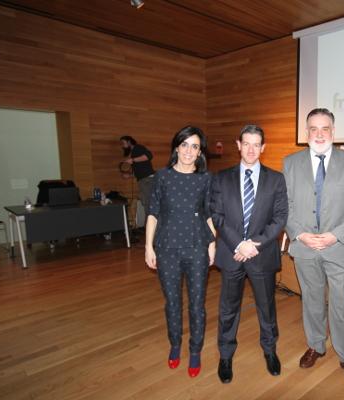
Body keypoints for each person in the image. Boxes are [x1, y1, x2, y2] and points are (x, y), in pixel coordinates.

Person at [283, 108, 344, 386]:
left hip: (338, 246)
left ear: (333, 131)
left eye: (325, 128)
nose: (319, 134)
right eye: (313, 129)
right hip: (305, 246)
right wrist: (300, 234)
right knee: (312, 299)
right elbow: (285, 204)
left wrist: (335, 235)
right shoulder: (291, 162)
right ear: (306, 132)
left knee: (341, 303)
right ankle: (316, 345)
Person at [210, 125, 288, 383]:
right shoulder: (221, 178)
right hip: (232, 253)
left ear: (263, 147)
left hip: (261, 254)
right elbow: (217, 216)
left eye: (256, 144)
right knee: (228, 307)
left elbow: (280, 217)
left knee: (267, 306)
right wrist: (238, 245)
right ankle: (225, 354)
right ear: (238, 145)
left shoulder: (276, 179)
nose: (251, 149)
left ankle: (270, 349)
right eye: (246, 144)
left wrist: (254, 244)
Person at [144, 126, 216, 378]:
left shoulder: (205, 179)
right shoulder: (162, 177)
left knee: (197, 304)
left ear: (200, 152)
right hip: (167, 249)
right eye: (184, 145)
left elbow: (208, 213)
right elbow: (153, 213)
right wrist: (148, 246)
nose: (189, 151)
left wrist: (212, 244)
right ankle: (175, 344)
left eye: (194, 146)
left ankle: (195, 350)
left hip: (197, 247)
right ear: (176, 147)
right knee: (173, 302)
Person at [120, 135, 155, 224]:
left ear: (129, 142)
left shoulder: (138, 148)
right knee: (148, 205)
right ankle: (150, 228)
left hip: (147, 181)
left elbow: (149, 156)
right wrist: (129, 175)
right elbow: (140, 171)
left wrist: (133, 160)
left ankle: (151, 229)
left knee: (149, 206)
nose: (123, 146)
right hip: (144, 181)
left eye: (123, 143)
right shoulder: (133, 153)